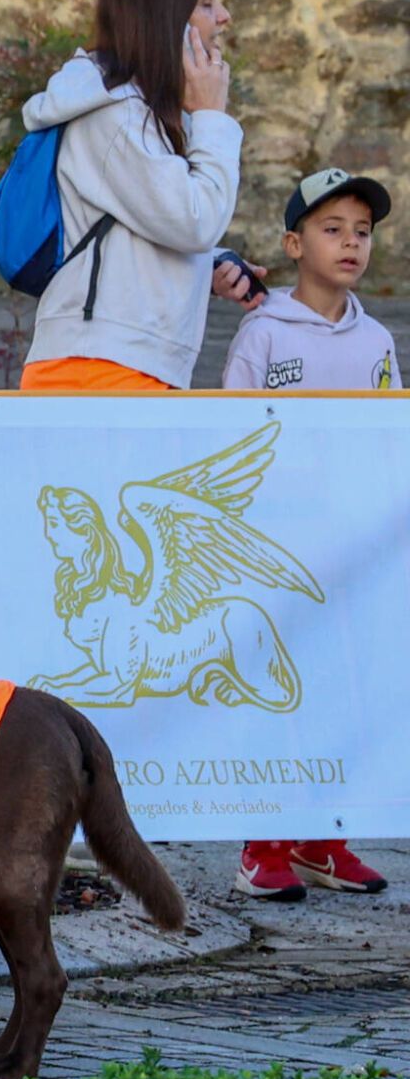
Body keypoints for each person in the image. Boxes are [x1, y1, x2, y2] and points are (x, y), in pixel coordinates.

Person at [222, 168, 395, 901]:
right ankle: (264, 843)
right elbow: (232, 437)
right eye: (332, 228)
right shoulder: (262, 333)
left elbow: (389, 436)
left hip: (353, 548)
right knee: (279, 690)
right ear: (294, 244)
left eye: (362, 230)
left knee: (345, 686)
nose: (351, 242)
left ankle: (326, 837)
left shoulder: (377, 339)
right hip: (280, 547)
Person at [17, 0, 265, 393]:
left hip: (123, 364)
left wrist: (205, 263)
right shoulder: (113, 115)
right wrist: (213, 117)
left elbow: (144, 224)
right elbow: (195, 221)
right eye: (208, 2)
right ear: (165, 15)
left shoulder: (133, 111)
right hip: (98, 369)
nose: (224, 16)